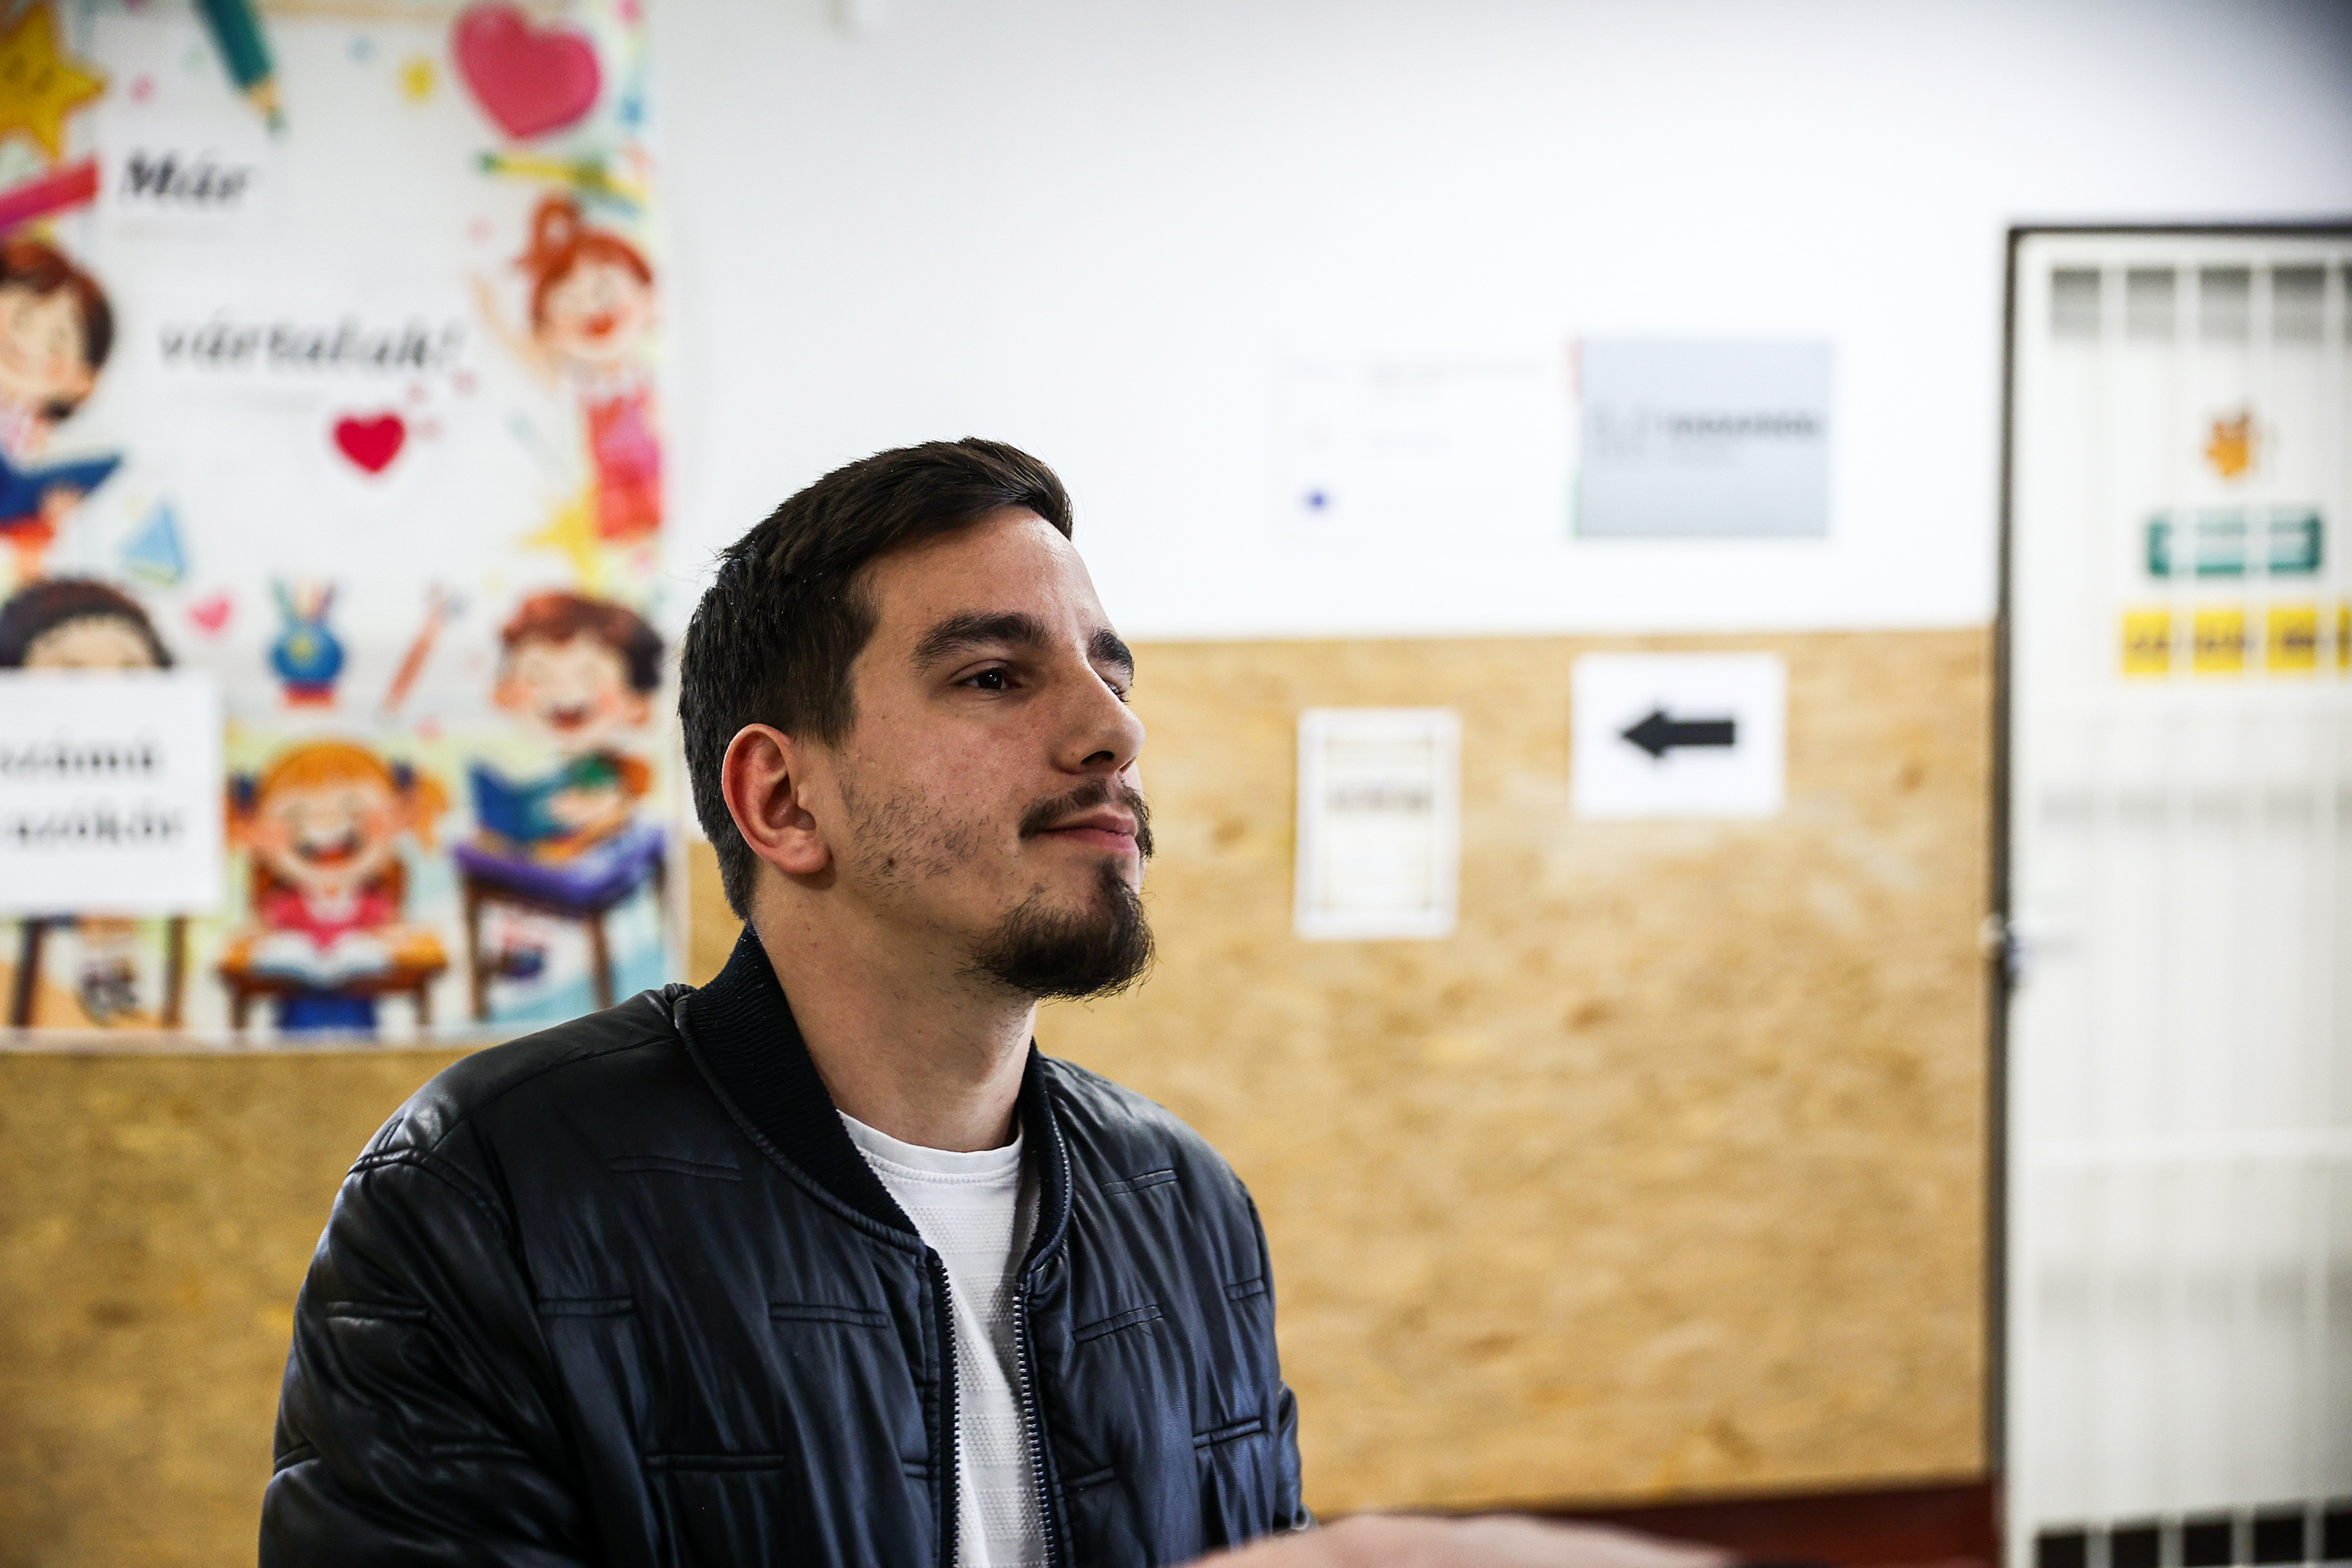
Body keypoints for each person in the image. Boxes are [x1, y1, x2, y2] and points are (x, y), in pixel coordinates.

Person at [261, 440, 1722, 1568]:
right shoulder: (491, 1191)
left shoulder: (1184, 1205)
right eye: (992, 676)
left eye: (1109, 673)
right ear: (784, 799)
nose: (1112, 731)